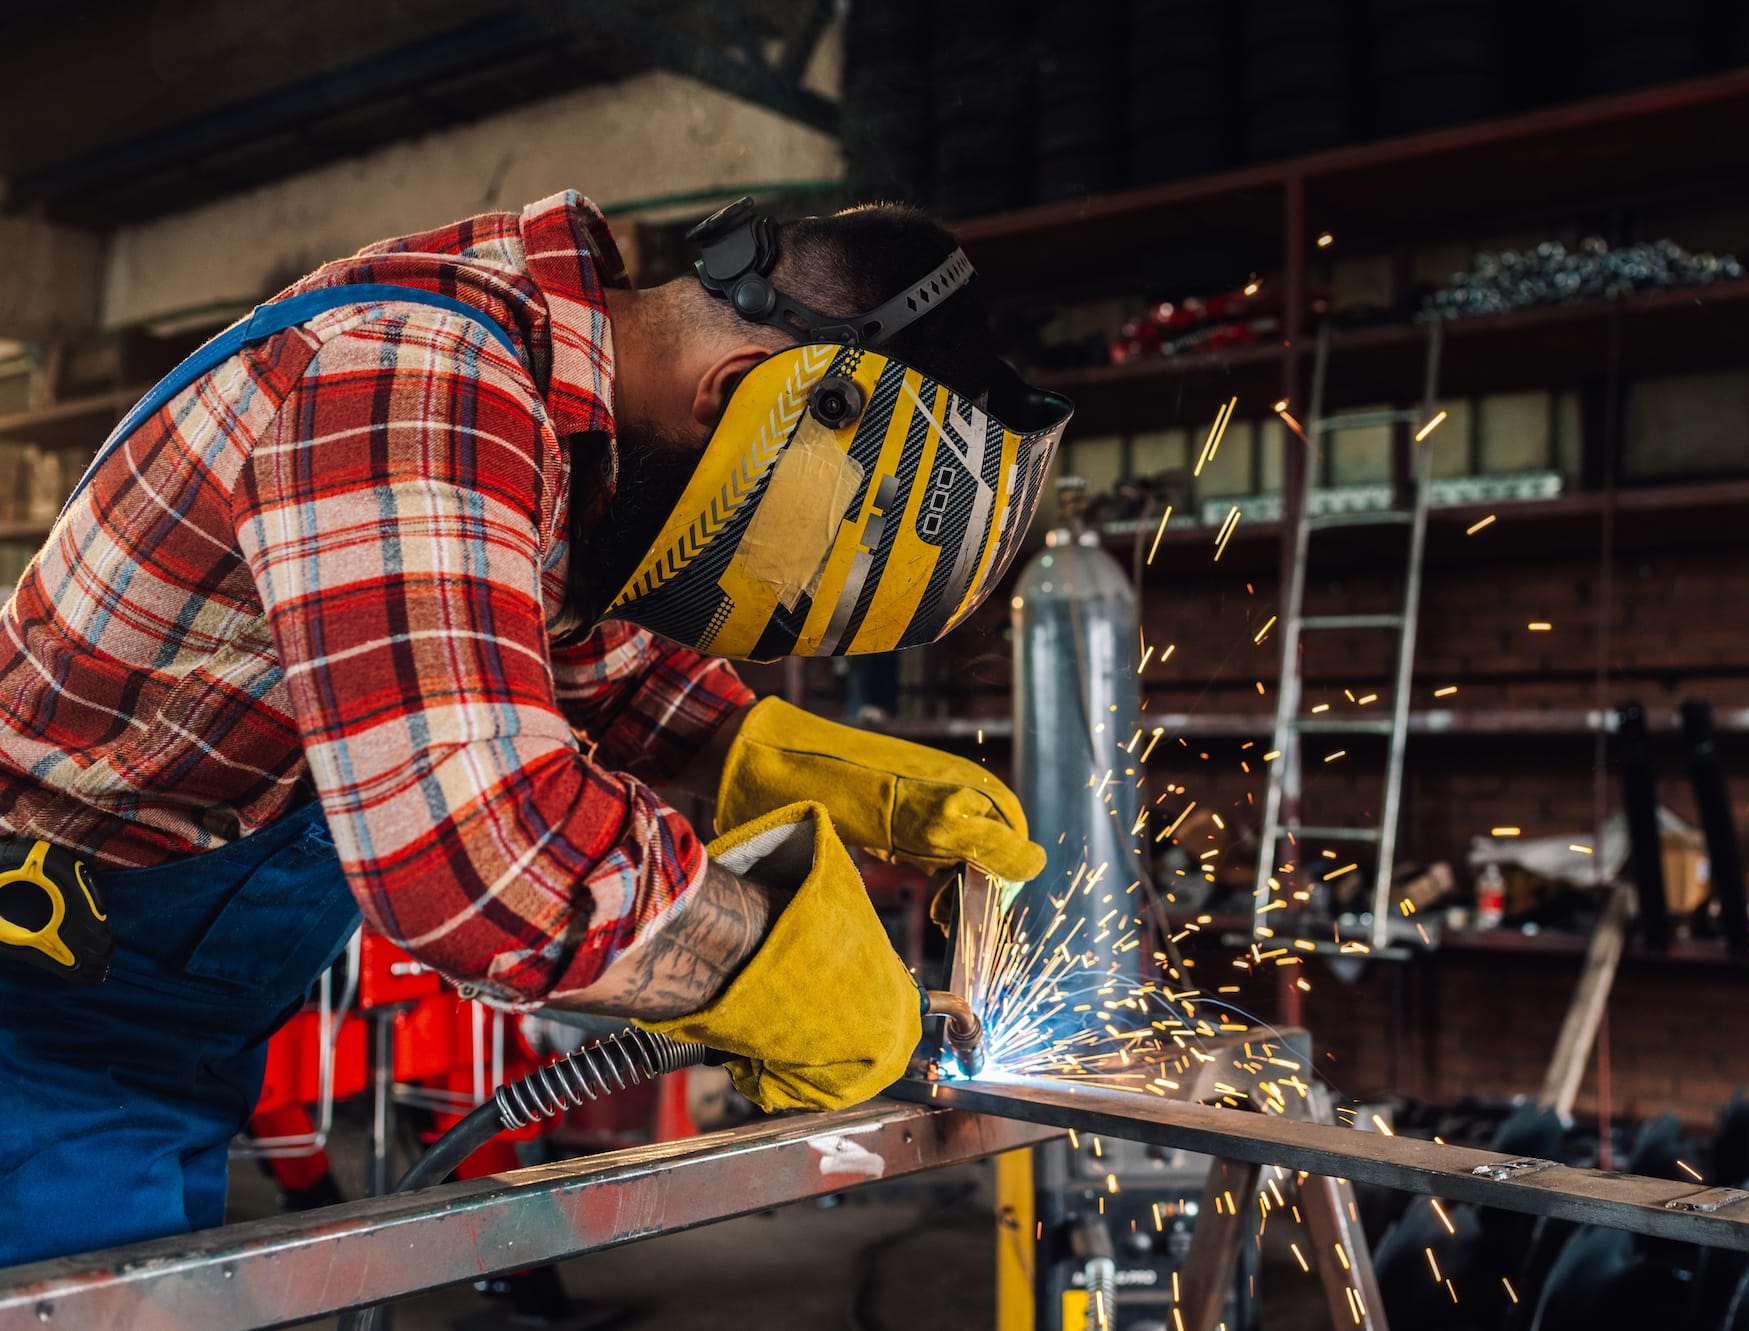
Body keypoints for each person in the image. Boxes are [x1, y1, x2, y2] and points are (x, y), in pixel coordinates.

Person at [0, 190, 1070, 1266]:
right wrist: (776, 965)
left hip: (141, 1012)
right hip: (36, 1006)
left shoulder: (540, 402)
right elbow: (477, 858)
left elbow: (578, 661)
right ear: (741, 392)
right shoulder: (410, 381)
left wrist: (767, 756)